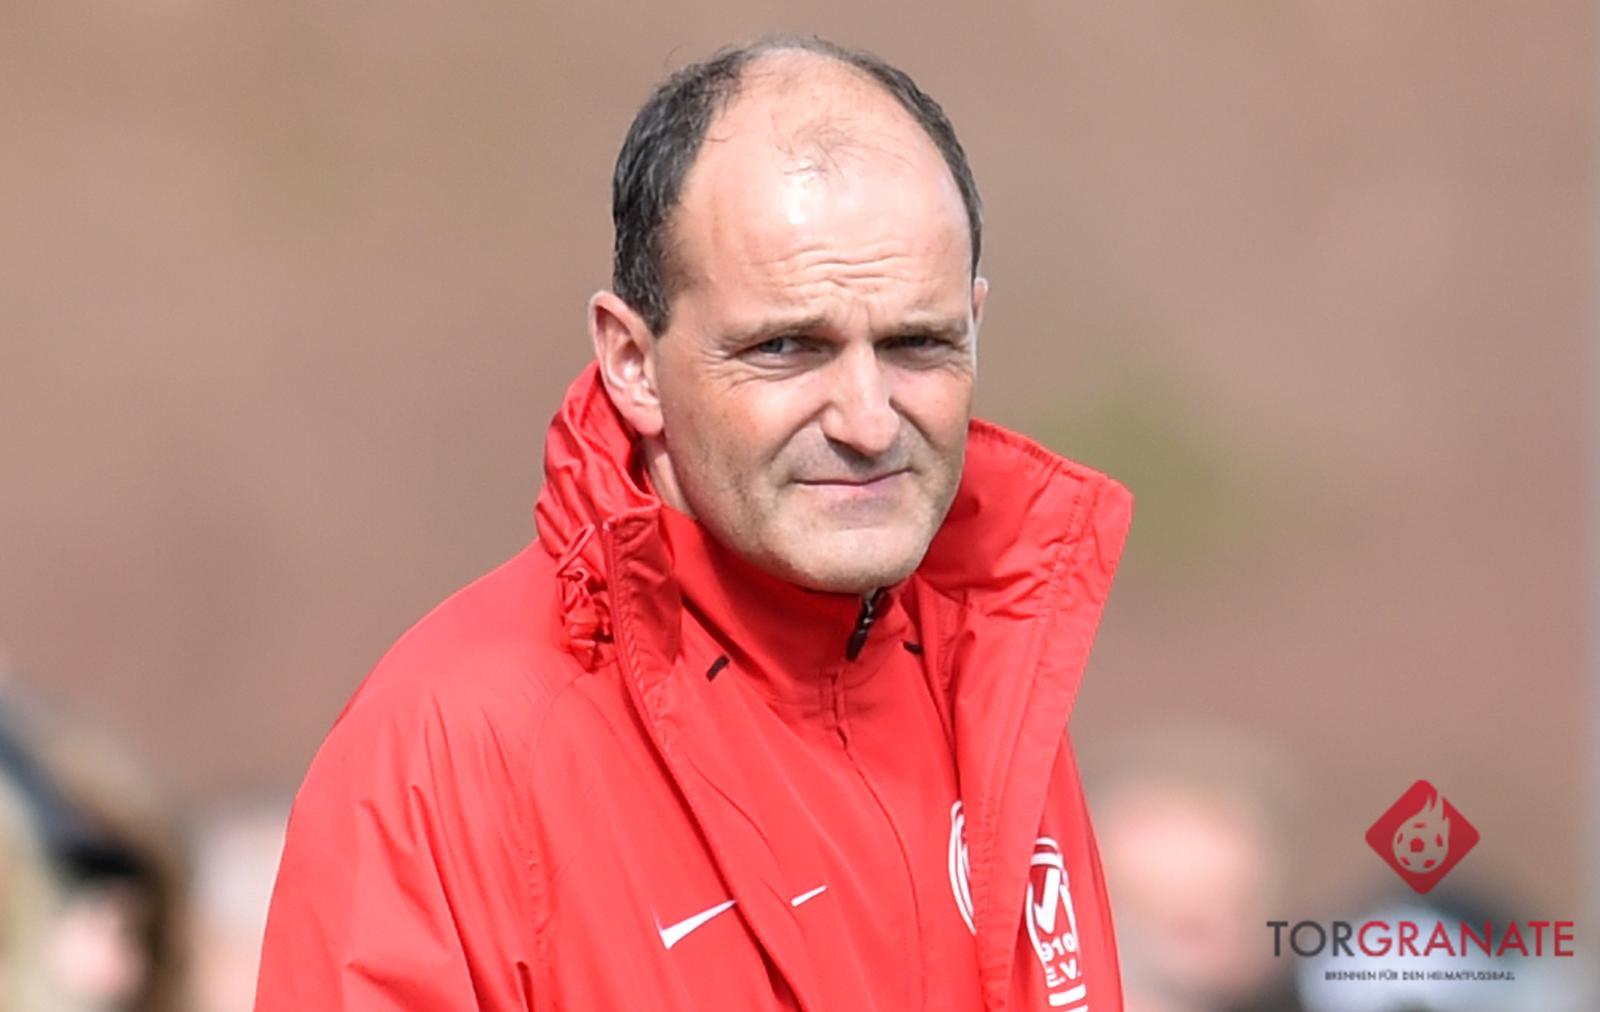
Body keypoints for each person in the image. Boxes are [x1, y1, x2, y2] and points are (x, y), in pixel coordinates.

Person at [255, 36, 1133, 1012]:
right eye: (786, 347)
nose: (868, 420)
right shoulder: (451, 750)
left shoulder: (996, 670)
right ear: (632, 363)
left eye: (916, 343)